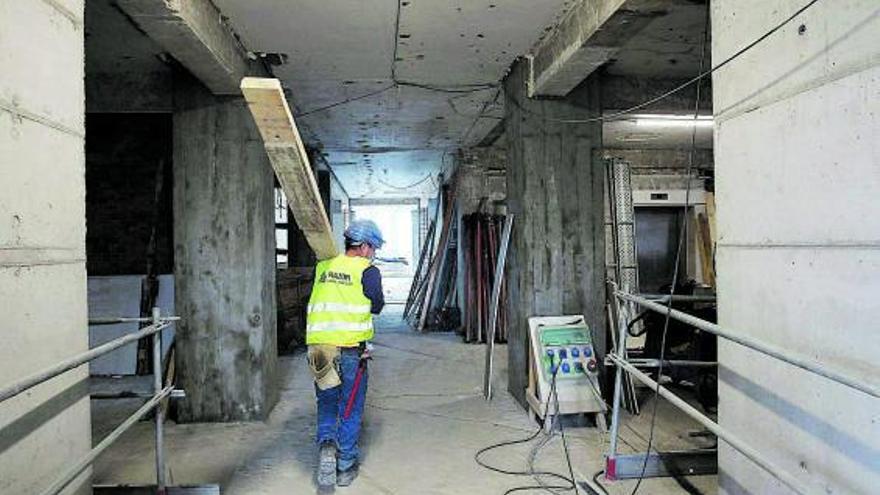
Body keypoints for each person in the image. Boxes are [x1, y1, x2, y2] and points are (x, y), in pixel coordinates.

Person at [306, 219, 385, 490]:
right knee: (349, 408)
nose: (373, 252)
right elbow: (377, 306)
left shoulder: (324, 265)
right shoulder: (368, 271)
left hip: (318, 350)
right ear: (363, 246)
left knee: (326, 402)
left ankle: (327, 446)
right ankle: (345, 465)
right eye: (372, 247)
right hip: (351, 351)